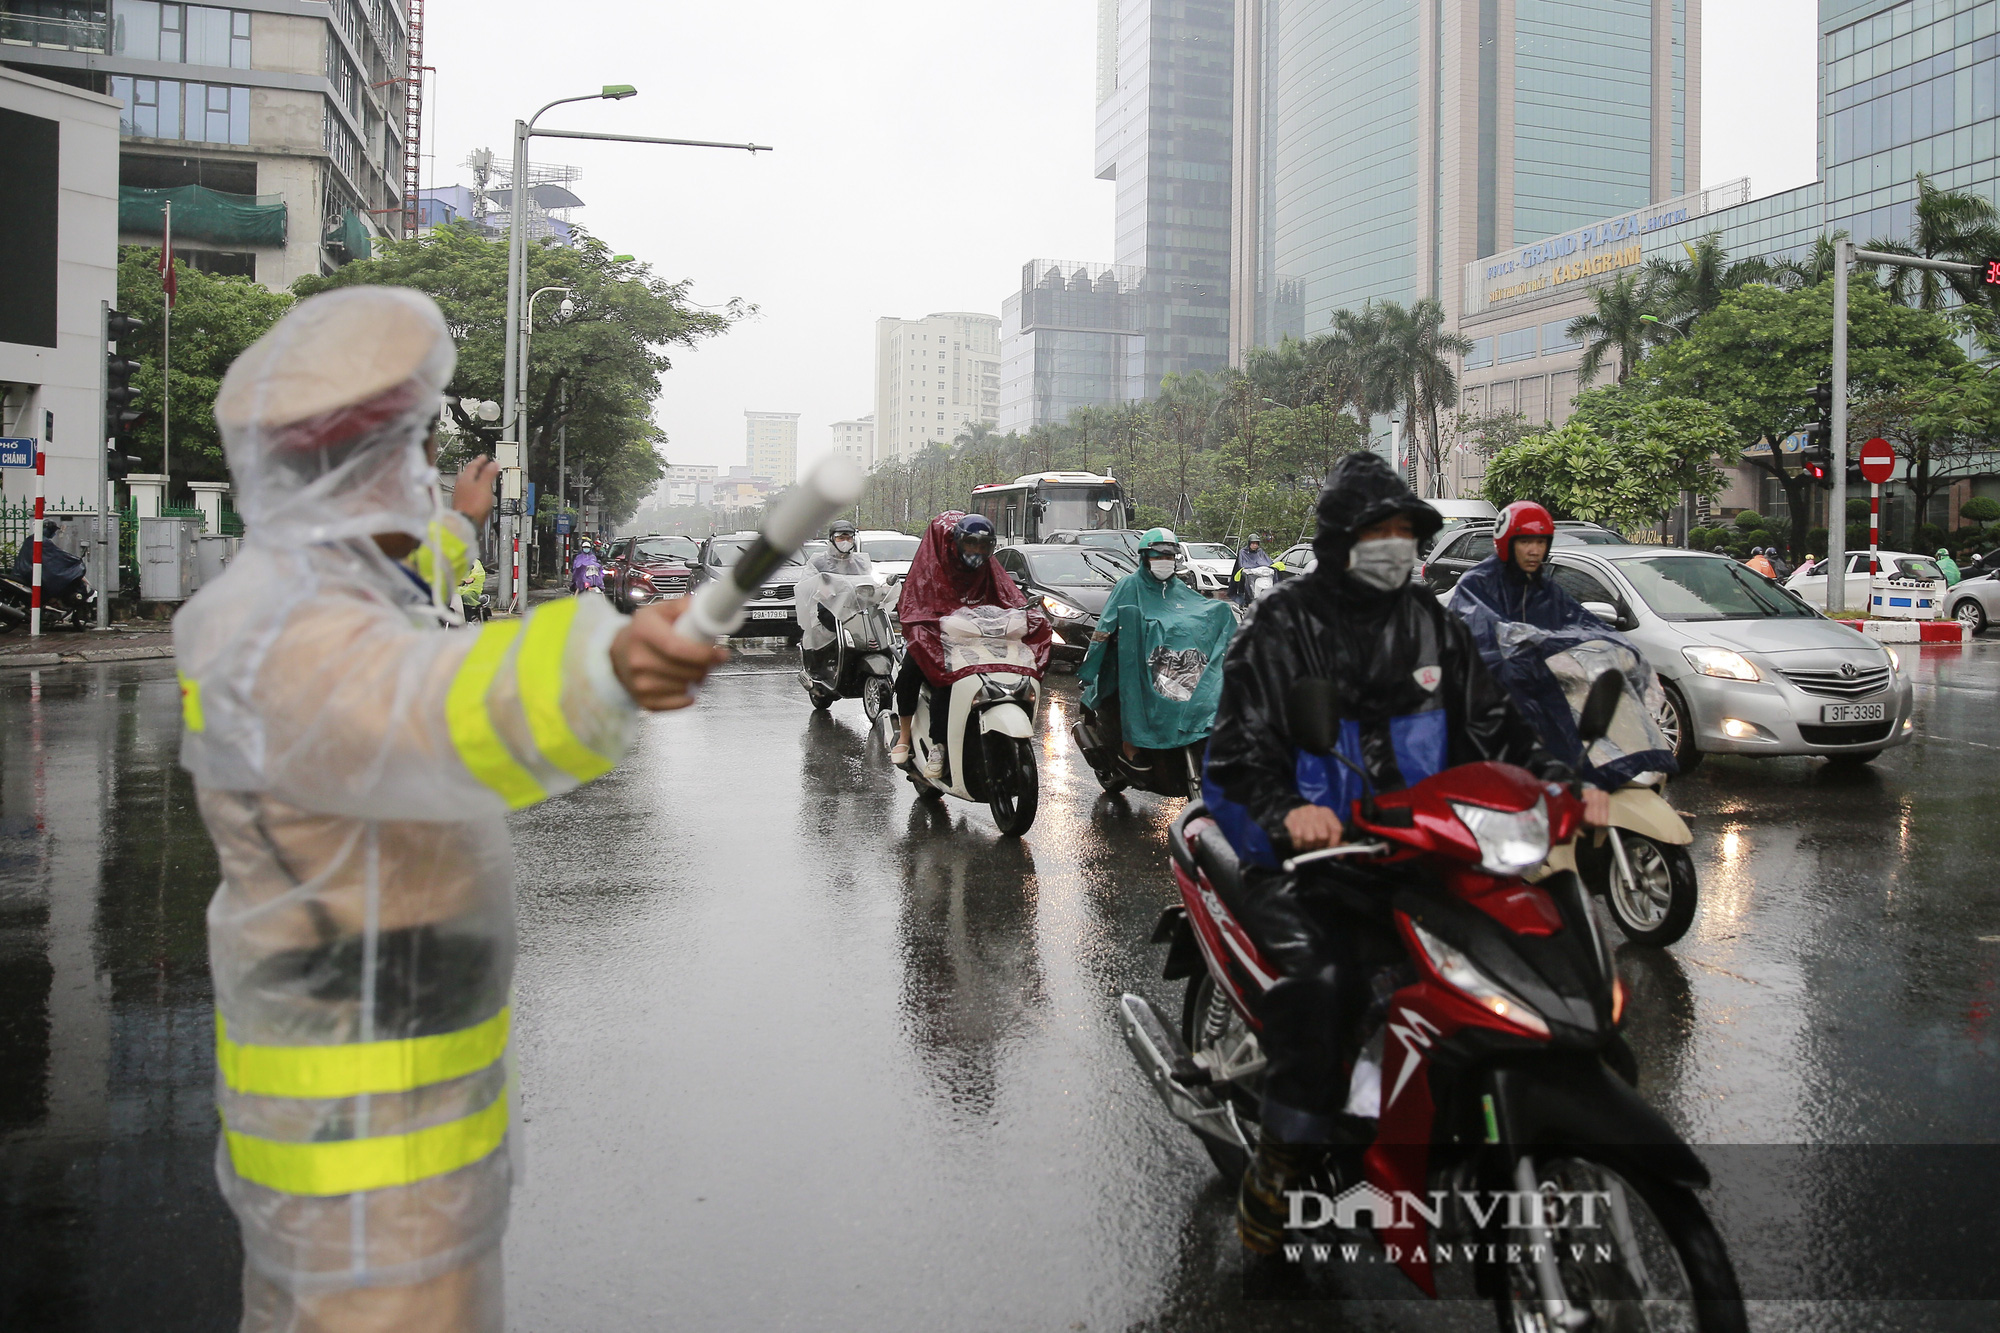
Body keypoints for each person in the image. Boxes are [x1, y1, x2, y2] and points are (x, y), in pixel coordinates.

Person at [174, 287, 725, 1333]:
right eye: (408, 443)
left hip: (397, 1133)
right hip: (366, 1172)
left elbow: (402, 583)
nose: (421, 469)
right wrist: (604, 662)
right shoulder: (275, 638)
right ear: (346, 462)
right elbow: (427, 707)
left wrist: (458, 527)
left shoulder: (313, 584)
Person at [1200, 454, 1607, 1256]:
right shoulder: (1285, 626)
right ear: (1338, 540)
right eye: (1376, 531)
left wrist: (1565, 783)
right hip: (1313, 859)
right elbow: (1237, 755)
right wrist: (1291, 816)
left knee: (1521, 948)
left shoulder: (1434, 624)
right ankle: (1281, 1157)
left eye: (1403, 532)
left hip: (1425, 847)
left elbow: (1497, 730)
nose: (1393, 544)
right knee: (1328, 982)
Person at [1449, 500, 1677, 790]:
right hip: (1493, 701)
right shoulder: (1477, 584)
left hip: (1540, 690)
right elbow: (1485, 634)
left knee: (1583, 759)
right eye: (1526, 542)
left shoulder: (1543, 589)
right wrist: (1533, 646)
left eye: (1541, 542)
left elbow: (1580, 622)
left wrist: (1620, 648)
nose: (1534, 550)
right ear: (1507, 543)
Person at [890, 512, 1051, 777]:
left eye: (983, 546)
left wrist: (1027, 615)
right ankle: (910, 737)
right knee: (922, 674)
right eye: (971, 544)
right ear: (956, 542)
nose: (976, 551)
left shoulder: (988, 570)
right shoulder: (932, 570)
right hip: (937, 638)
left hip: (977, 641)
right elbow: (916, 605)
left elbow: (1009, 597)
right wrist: (924, 626)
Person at [1078, 527, 1235, 765]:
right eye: (1158, 557)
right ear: (1145, 558)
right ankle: (1130, 744)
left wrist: (1224, 614)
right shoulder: (1129, 586)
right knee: (1138, 694)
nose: (1164, 562)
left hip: (1178, 662)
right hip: (1138, 661)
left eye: (1169, 557)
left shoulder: (1179, 589)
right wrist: (1090, 667)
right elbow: (1104, 628)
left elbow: (1201, 612)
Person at [797, 519, 875, 686]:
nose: (845, 542)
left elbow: (872, 580)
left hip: (858, 608)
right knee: (822, 632)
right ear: (832, 539)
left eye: (849, 537)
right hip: (829, 609)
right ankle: (818, 673)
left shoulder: (861, 562)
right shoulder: (818, 562)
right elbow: (807, 584)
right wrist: (821, 587)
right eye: (841, 537)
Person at [1229, 532, 1273, 605]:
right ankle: (1247, 600)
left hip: (1259, 574)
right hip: (1248, 574)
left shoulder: (1260, 552)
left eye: (1256, 543)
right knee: (1247, 582)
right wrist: (1246, 569)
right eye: (1253, 543)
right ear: (1249, 543)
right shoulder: (1243, 552)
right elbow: (1242, 564)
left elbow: (1267, 561)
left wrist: (1272, 566)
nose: (1255, 545)